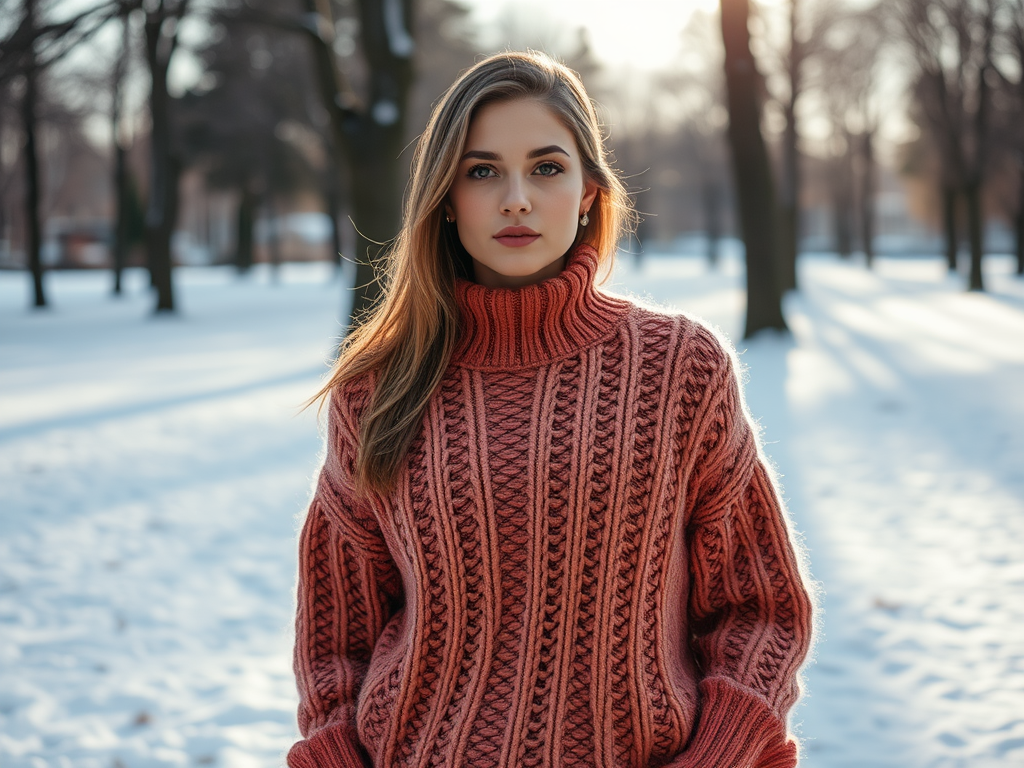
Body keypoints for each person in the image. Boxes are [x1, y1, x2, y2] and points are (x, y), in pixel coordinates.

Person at [288, 50, 814, 768]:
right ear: (445, 196)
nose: (516, 200)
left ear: (591, 191)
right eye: (482, 171)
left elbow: (761, 606)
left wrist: (716, 758)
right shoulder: (379, 387)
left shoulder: (679, 367)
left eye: (546, 167)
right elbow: (335, 638)